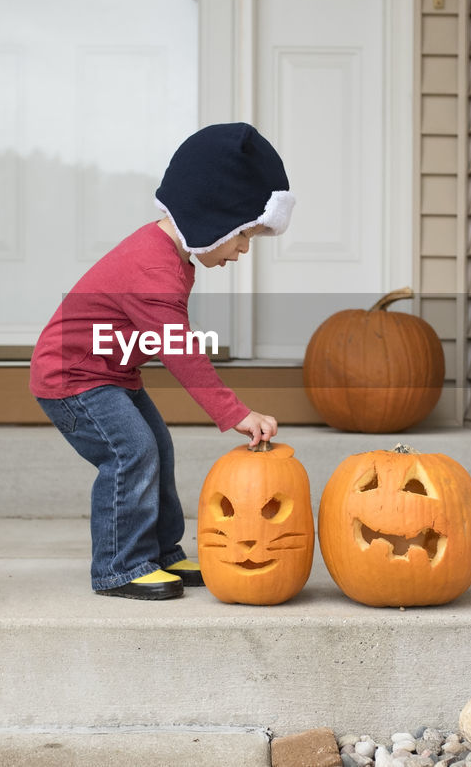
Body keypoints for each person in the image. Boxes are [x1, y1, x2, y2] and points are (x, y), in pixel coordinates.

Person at [30, 122, 295, 600]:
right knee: (131, 452)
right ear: (213, 218)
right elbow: (180, 350)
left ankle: (160, 551)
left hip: (109, 375)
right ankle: (120, 565)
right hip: (73, 378)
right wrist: (233, 411)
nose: (242, 250)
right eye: (243, 235)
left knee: (158, 445)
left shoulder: (167, 256)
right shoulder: (154, 270)